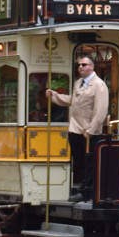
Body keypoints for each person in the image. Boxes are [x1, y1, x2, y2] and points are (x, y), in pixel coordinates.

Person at [47, 55, 109, 201]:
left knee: (90, 162)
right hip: (75, 129)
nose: (80, 67)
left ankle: (87, 191)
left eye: (84, 64)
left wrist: (92, 130)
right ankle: (83, 188)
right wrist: (54, 96)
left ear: (92, 67)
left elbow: (101, 110)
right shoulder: (78, 83)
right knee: (80, 160)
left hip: (88, 131)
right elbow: (72, 101)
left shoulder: (99, 85)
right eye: (79, 65)